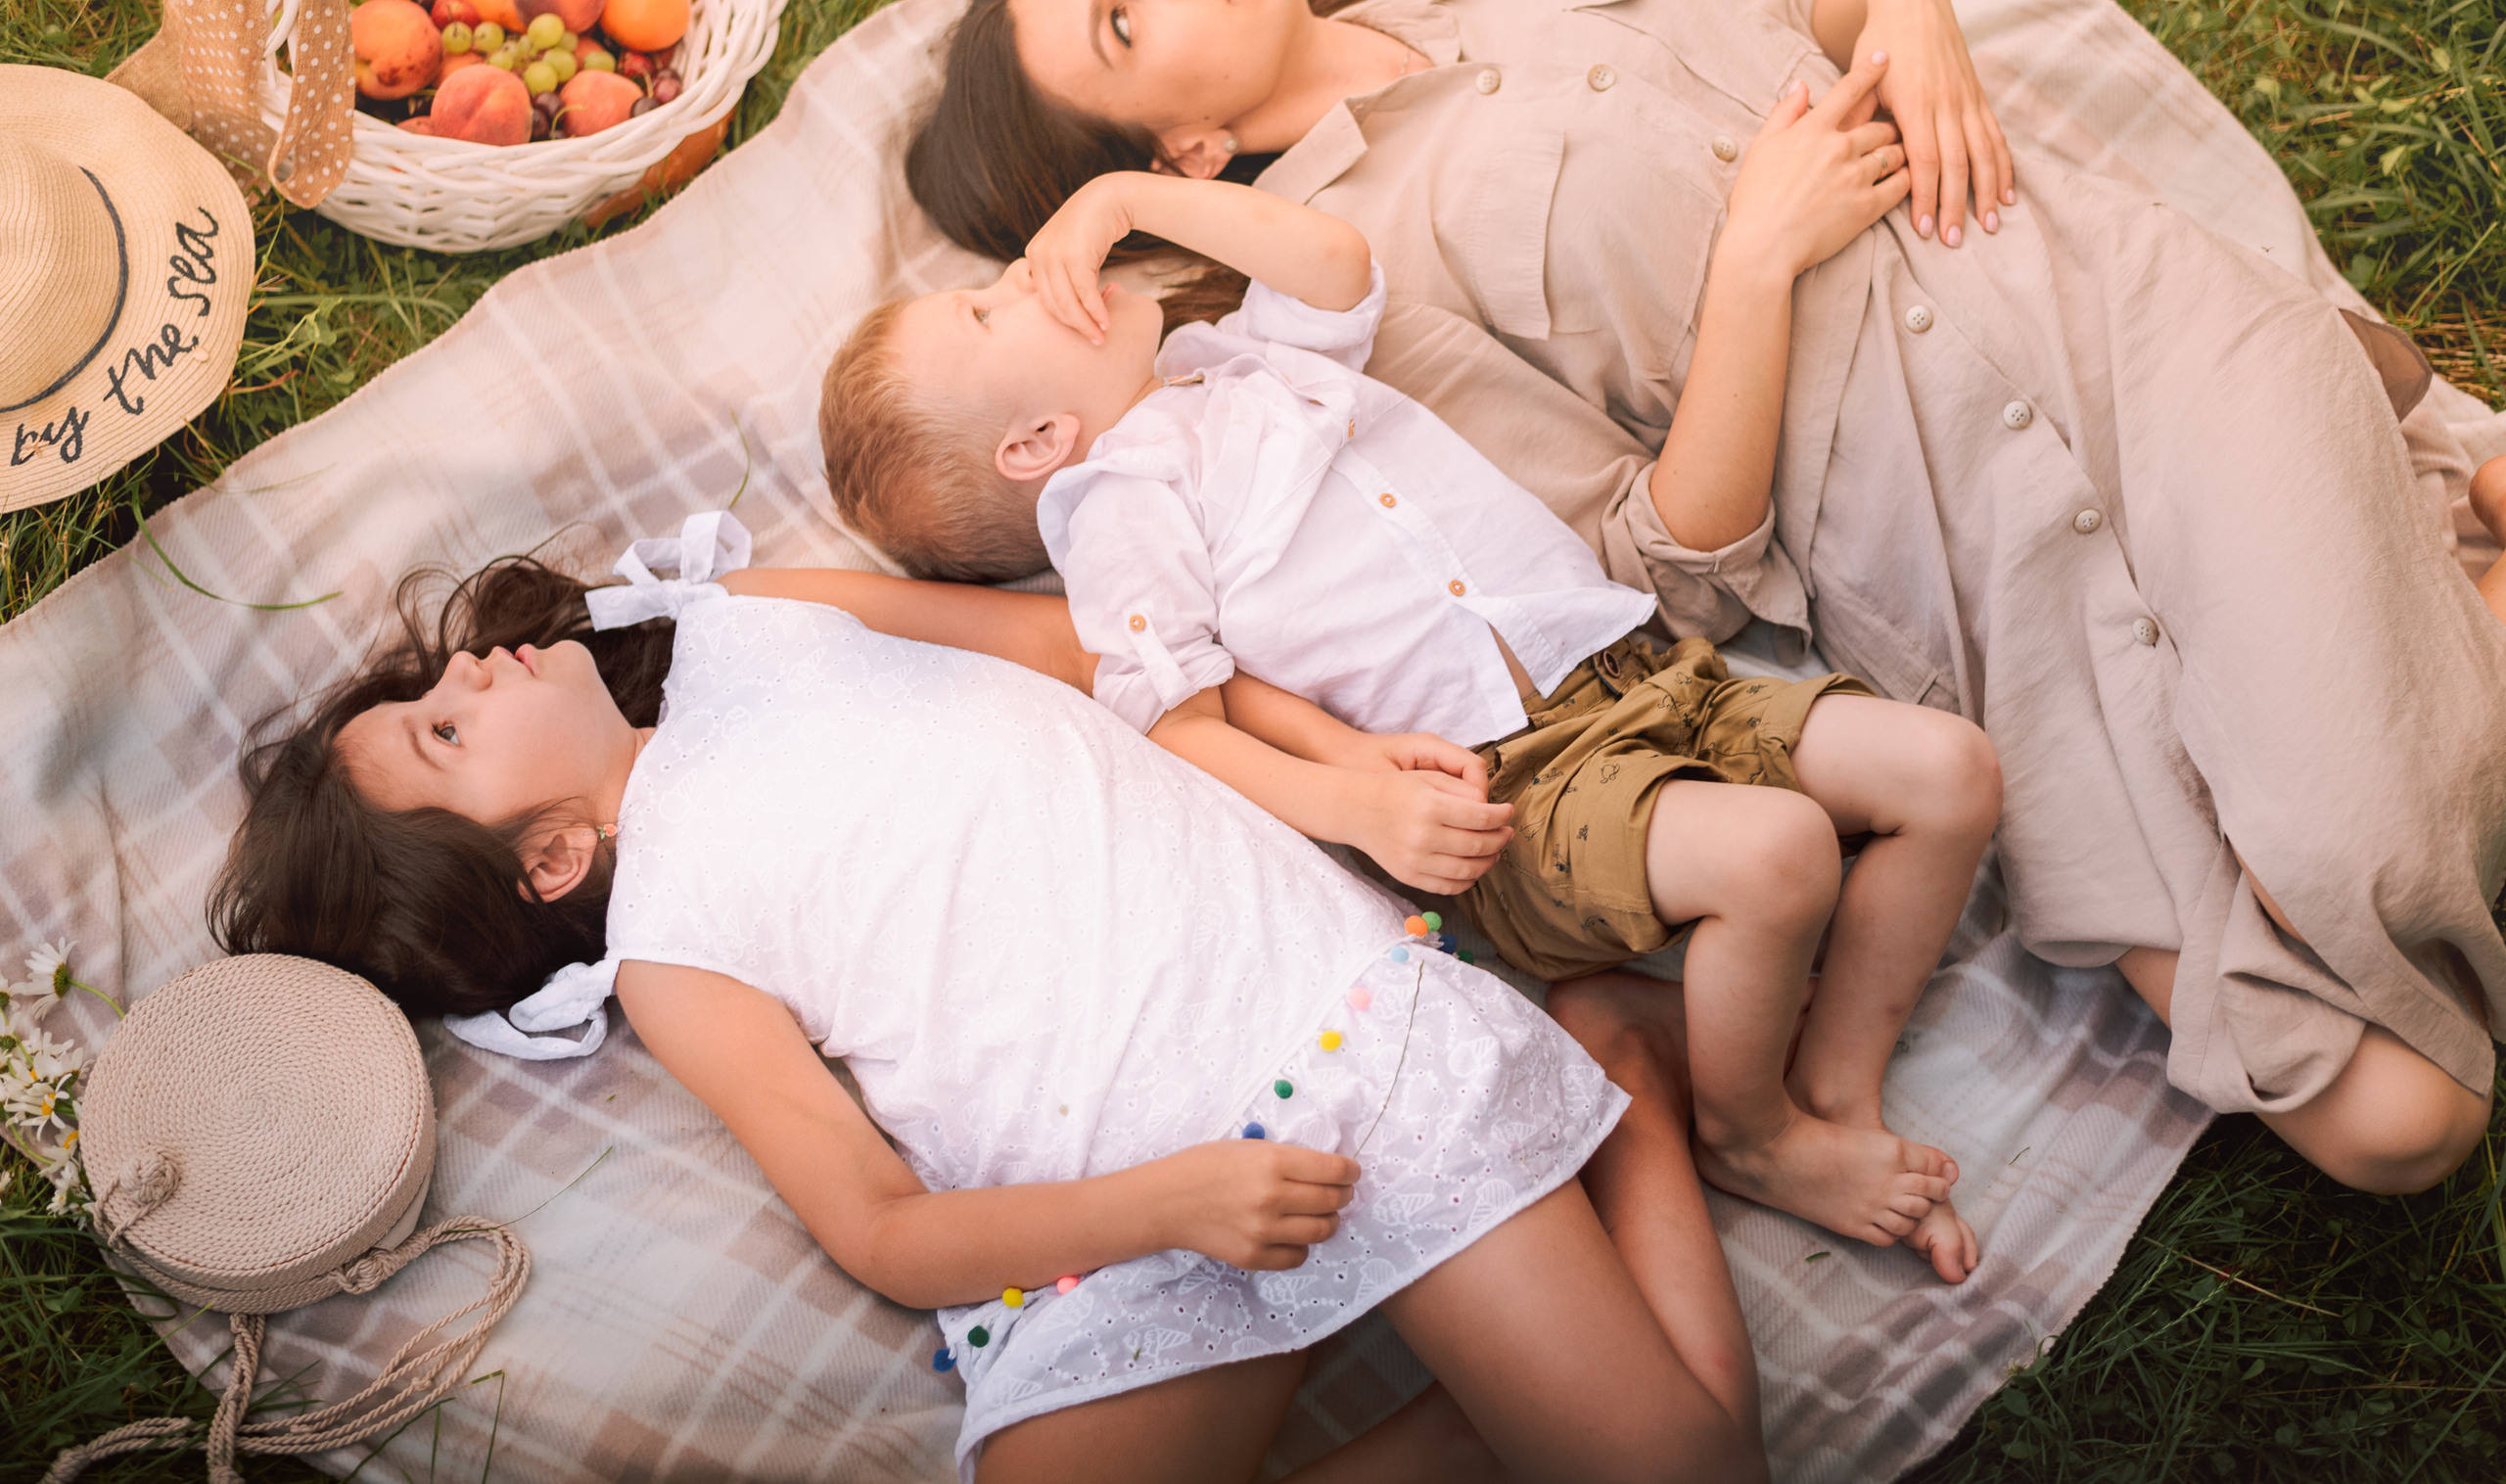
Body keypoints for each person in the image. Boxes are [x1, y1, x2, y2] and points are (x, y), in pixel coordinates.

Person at [899, 0, 2505, 1188]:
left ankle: (2373, 506)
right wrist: (1755, 257)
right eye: (1118, 22)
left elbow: (1781, 4)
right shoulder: (1343, 302)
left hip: (2091, 313)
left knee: (2339, 859)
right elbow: (1660, 563)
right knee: (2394, 1116)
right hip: (1961, 558)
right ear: (1176, 144)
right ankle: (2430, 528)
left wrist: (1906, 7)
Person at [208, 520, 1763, 1484]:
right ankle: (1521, 1323)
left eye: (434, 688)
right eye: (443, 730)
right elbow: (881, 1229)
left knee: (1686, 1468)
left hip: (1302, 1027)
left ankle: (1619, 1086)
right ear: (552, 860)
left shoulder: (748, 624)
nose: (468, 673)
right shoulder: (677, 954)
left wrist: (1332, 777)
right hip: (1112, 1213)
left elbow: (1088, 655)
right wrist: (1170, 1206)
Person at [819, 161, 1999, 1283]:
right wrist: (1359, 803)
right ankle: (1748, 1134)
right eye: (983, 313)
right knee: (1779, 856)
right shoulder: (1121, 507)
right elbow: (1181, 725)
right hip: (1507, 784)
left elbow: (1332, 258)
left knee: (1948, 769)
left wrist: (1119, 196)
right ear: (1034, 446)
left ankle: (1835, 1091)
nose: (1020, 276)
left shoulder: (1229, 360)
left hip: (1629, 666)